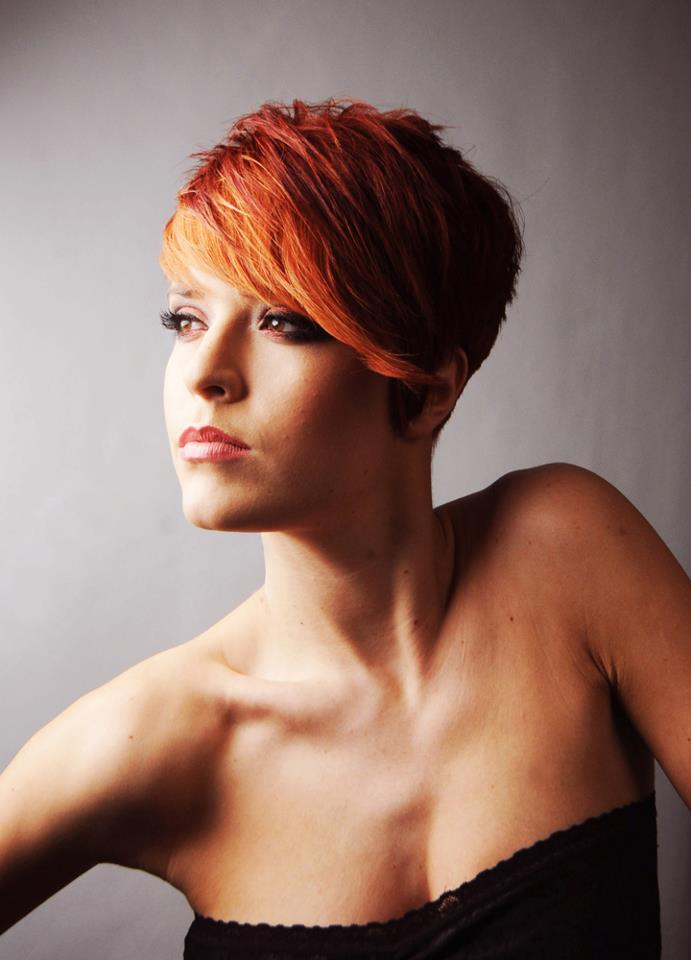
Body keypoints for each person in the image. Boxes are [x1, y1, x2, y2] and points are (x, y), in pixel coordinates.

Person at [1, 97, 689, 959]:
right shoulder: (156, 734)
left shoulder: (568, 554)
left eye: (283, 322)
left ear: (427, 389)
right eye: (186, 319)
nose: (206, 373)